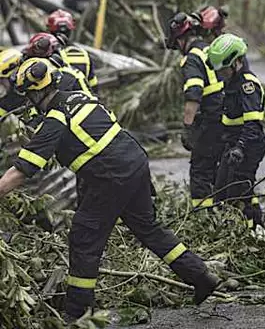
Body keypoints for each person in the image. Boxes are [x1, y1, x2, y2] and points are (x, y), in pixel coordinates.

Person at [0, 57, 220, 322]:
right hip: (136, 161)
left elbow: (22, 171)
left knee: (83, 236)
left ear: (35, 92)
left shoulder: (56, 120)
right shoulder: (80, 97)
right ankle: (200, 275)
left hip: (111, 176)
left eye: (27, 95)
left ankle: (77, 312)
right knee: (147, 227)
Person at [206, 34, 265, 229]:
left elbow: (253, 124)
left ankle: (249, 231)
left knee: (238, 190)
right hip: (233, 143)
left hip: (249, 144)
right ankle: (256, 222)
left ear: (237, 62)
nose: (221, 73)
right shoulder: (230, 82)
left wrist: (240, 148)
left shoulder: (247, 85)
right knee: (221, 191)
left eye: (224, 68)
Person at [165, 12, 224, 208]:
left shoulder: (191, 58)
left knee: (200, 172)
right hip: (226, 117)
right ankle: (224, 212)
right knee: (220, 169)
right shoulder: (210, 49)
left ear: (181, 39)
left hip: (209, 120)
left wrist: (188, 127)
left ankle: (204, 218)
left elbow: (194, 92)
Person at [46, 9, 99, 94]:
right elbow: (93, 85)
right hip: (83, 101)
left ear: (50, 30)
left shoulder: (44, 55)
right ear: (71, 30)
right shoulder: (83, 54)